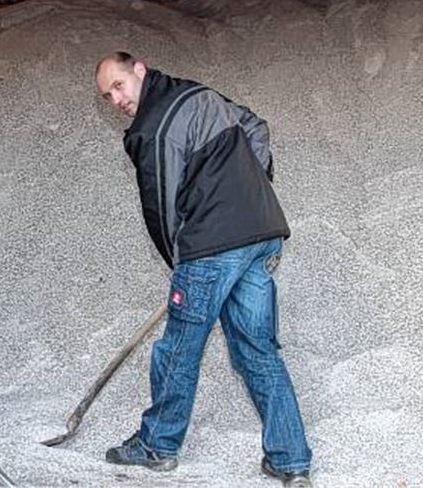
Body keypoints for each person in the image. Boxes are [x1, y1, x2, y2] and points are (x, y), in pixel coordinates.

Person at [94, 51, 312, 488]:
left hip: (213, 245)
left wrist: (184, 262)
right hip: (261, 232)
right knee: (257, 350)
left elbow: (160, 209)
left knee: (178, 349)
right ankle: (290, 460)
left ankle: (158, 445)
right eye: (107, 95)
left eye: (119, 84)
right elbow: (255, 125)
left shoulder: (151, 130)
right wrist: (251, 190)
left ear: (140, 69)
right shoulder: (200, 94)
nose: (116, 99)